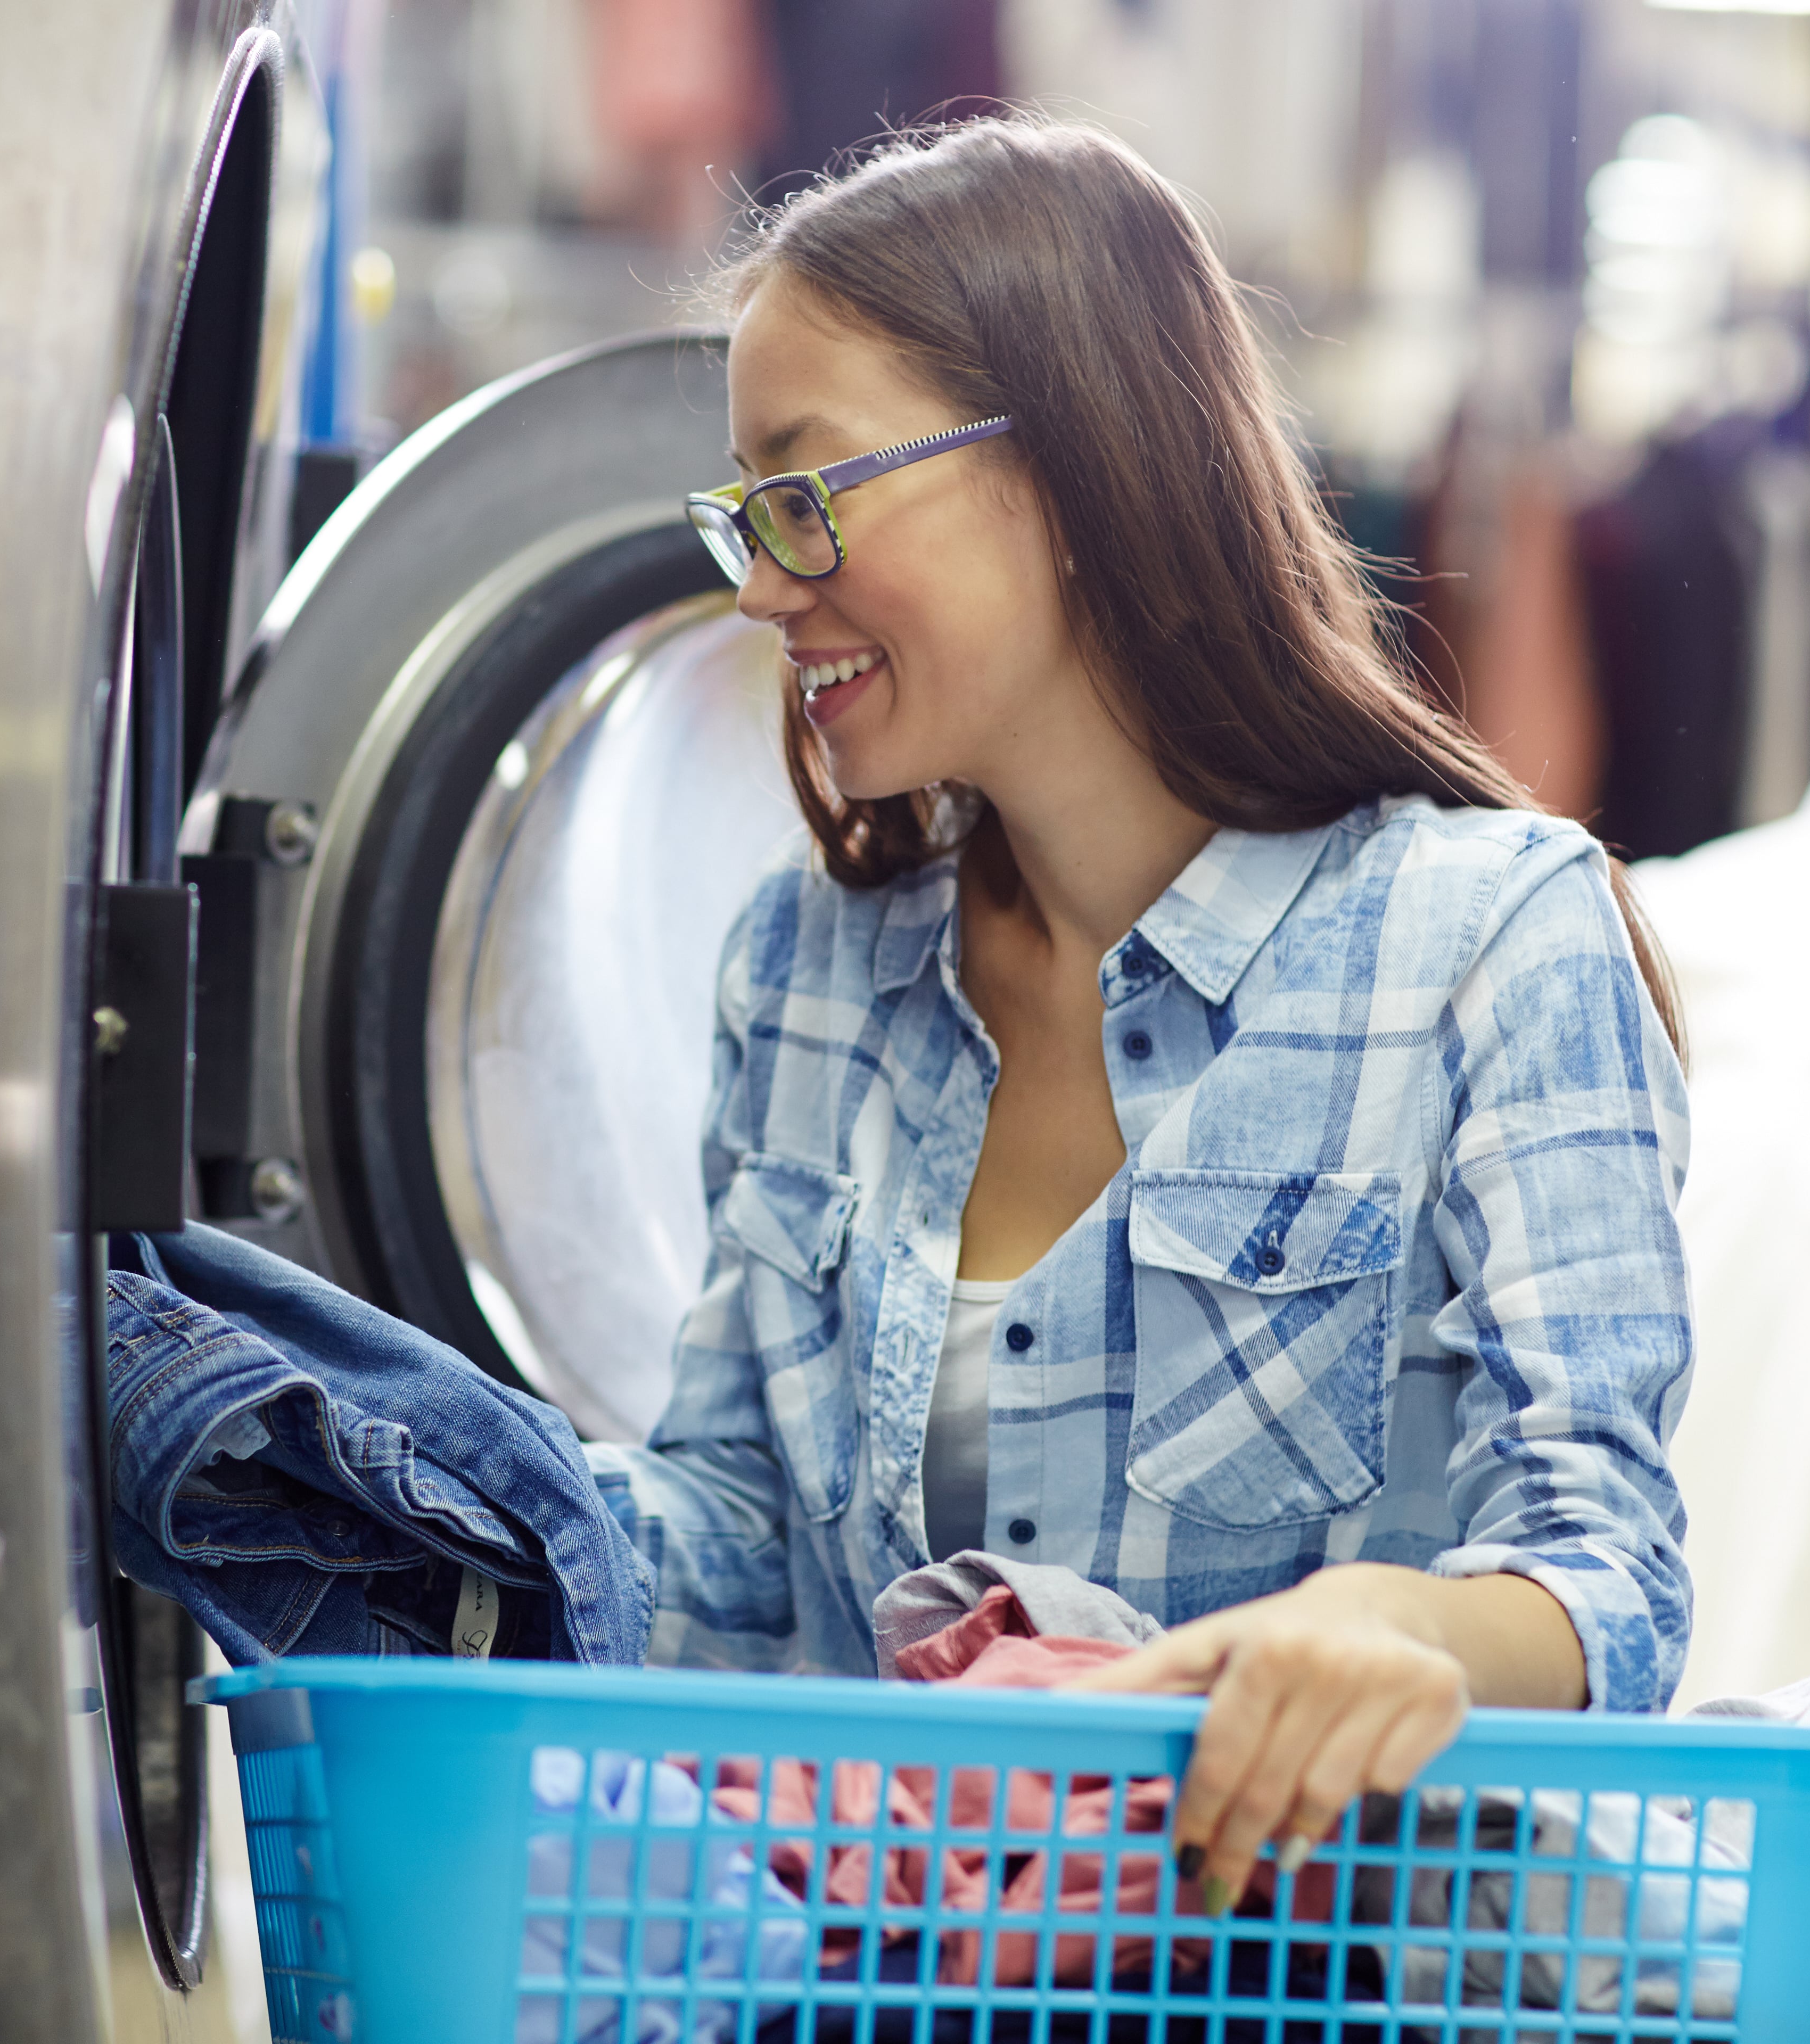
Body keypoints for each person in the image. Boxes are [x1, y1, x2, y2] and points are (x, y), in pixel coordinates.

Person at [614, 117, 1694, 1917]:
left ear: (1066, 466)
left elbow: (1611, 1571)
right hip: (890, 1976)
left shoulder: (1490, 940)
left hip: (1318, 1974)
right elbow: (731, 1568)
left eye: (807, 496)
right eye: (746, 511)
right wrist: (420, 1497)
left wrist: (1393, 1628)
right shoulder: (804, 971)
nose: (759, 587)